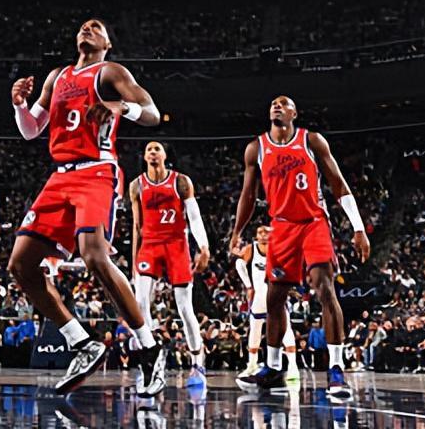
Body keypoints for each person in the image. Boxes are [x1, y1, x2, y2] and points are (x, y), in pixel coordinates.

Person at [8, 18, 168, 396]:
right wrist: (19, 105)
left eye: (96, 27)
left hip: (96, 170)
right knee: (20, 265)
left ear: (107, 43)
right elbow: (31, 129)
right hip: (59, 177)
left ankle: (148, 348)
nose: (88, 29)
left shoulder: (110, 72)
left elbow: (152, 113)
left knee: (94, 256)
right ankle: (81, 343)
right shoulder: (57, 77)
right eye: (83, 26)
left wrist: (118, 106)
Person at [230, 96, 370, 398]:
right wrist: (237, 232)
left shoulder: (311, 141)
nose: (276, 106)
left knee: (324, 287)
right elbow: (248, 195)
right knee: (274, 298)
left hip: (313, 222)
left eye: (284, 103)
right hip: (281, 226)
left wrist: (358, 227)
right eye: (273, 103)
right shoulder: (256, 148)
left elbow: (338, 184)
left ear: (294, 112)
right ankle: (273, 367)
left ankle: (336, 369)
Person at [128, 141, 211, 386]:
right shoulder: (136, 185)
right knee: (140, 302)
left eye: (157, 149)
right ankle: (150, 355)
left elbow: (194, 217)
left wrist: (203, 247)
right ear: (144, 157)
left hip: (176, 244)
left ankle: (197, 362)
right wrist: (134, 262)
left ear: (165, 155)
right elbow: (136, 226)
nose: (153, 152)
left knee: (185, 308)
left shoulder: (181, 182)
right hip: (150, 245)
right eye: (149, 149)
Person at [233, 225, 298, 381]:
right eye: (260, 232)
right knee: (255, 331)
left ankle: (293, 367)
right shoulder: (251, 249)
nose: (263, 235)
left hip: (275, 295)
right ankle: (252, 365)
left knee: (286, 331)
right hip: (258, 296)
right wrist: (248, 286)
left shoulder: (279, 249)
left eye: (266, 232)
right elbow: (239, 264)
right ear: (256, 236)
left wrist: (286, 287)